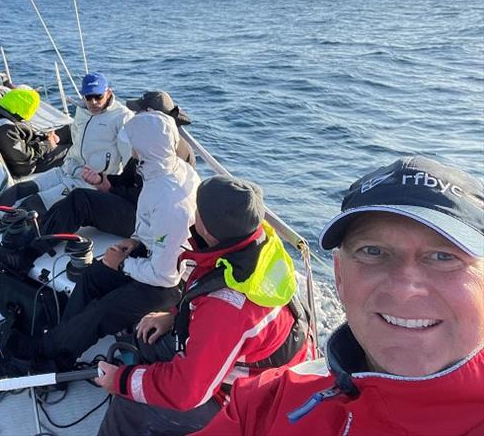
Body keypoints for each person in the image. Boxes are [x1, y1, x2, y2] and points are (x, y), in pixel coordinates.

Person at [194, 156, 484, 436]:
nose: (404, 289)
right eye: (372, 251)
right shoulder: (264, 405)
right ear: (340, 277)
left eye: (443, 256)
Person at [94, 175, 312, 436]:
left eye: (197, 209)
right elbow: (207, 292)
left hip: (245, 398)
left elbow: (188, 391)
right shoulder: (256, 241)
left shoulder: (227, 307)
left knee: (128, 406)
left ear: (206, 230)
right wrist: (174, 317)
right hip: (255, 363)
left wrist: (120, 380)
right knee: (146, 342)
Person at [3, 111, 200, 367]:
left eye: (135, 145)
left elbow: (167, 275)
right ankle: (61, 346)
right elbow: (149, 222)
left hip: (168, 284)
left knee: (103, 310)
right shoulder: (162, 171)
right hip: (151, 254)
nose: (132, 151)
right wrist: (136, 241)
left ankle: (47, 352)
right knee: (92, 276)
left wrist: (122, 264)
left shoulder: (171, 201)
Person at [0, 72, 133, 230]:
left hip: (88, 181)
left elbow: (130, 160)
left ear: (108, 93)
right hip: (67, 169)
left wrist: (117, 191)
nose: (92, 102)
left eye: (98, 97)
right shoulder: (82, 110)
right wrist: (54, 136)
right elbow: (74, 132)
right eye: (88, 97)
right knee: (19, 189)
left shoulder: (122, 118)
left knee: (32, 204)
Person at [40, 91, 194, 238]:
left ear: (151, 114)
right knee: (78, 197)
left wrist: (112, 189)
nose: (135, 116)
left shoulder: (172, 153)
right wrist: (102, 180)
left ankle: (32, 246)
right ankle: (38, 232)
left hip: (147, 221)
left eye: (139, 113)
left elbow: (150, 197)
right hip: (139, 207)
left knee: (80, 201)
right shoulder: (151, 141)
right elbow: (129, 178)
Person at [0, 88, 68, 178]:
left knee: (68, 130)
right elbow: (24, 156)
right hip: (29, 164)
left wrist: (46, 138)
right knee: (70, 150)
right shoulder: (6, 130)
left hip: (29, 143)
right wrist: (47, 144)